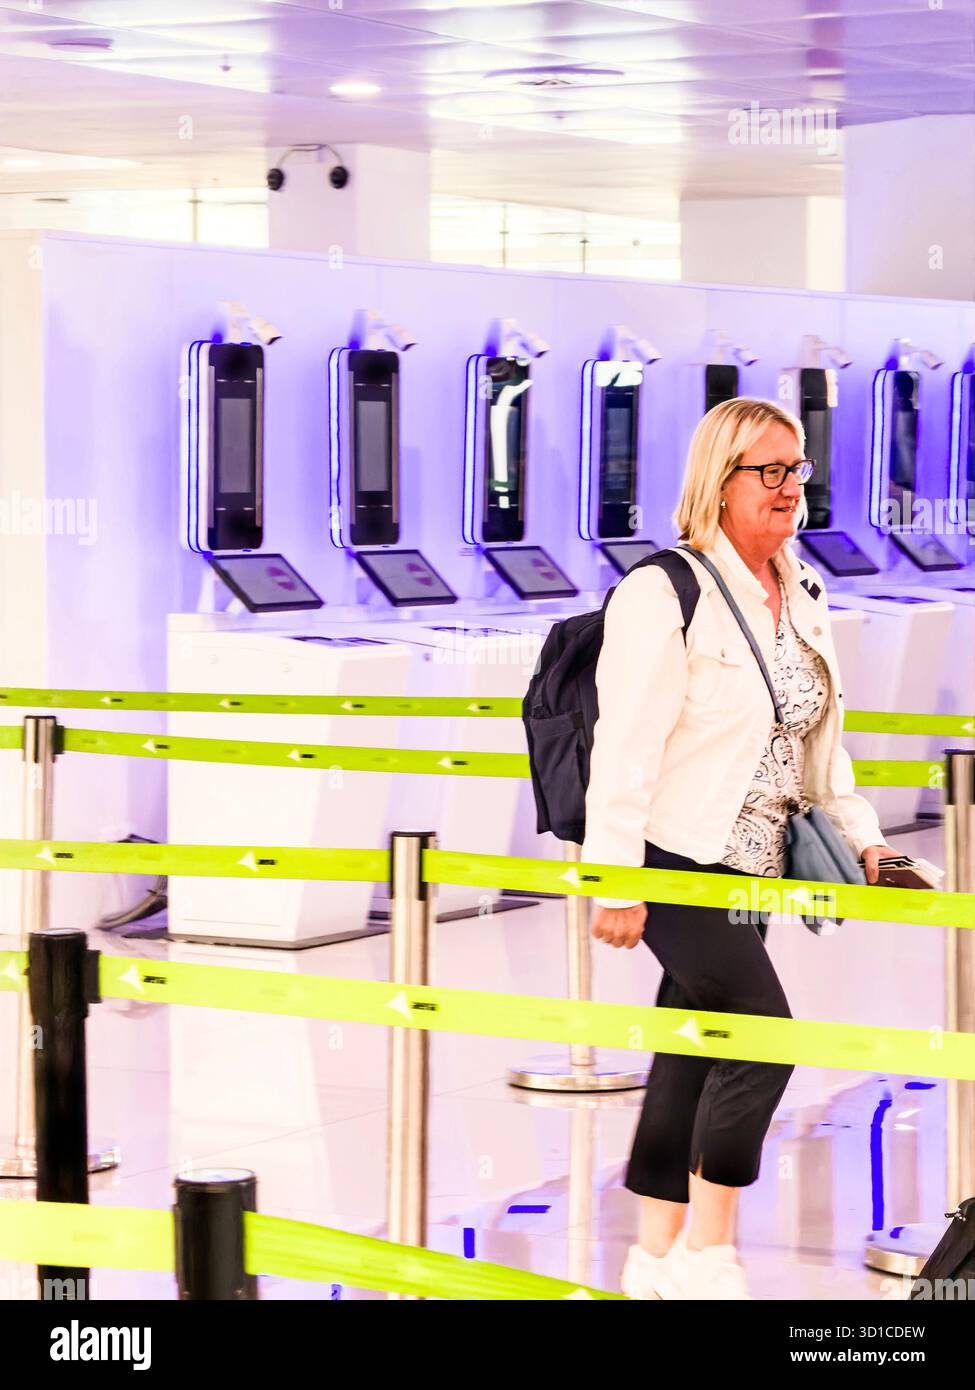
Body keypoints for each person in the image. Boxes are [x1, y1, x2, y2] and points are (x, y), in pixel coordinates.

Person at [580, 397, 893, 1300]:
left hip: (755, 863)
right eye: (770, 472)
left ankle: (650, 1257)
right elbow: (625, 746)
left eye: (797, 471)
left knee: (692, 1041)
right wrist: (614, 881)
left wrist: (865, 841)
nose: (790, 489)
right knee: (761, 1037)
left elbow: (819, 746)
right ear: (719, 483)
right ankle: (710, 1252)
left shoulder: (802, 590)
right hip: (676, 853)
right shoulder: (662, 591)